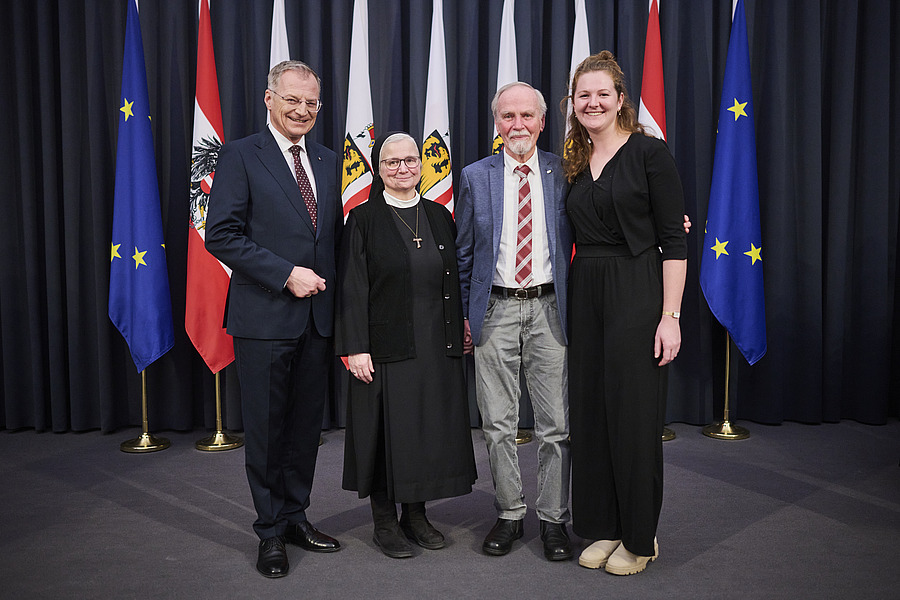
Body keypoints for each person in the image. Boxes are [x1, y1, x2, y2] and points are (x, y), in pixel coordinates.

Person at [205, 60, 342, 578]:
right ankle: (268, 532)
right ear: (269, 99)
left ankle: (295, 517)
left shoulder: (328, 161)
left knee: (305, 430)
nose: (302, 110)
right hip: (263, 318)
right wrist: (285, 274)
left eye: (311, 102)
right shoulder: (241, 155)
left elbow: (330, 239)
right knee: (265, 431)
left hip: (317, 320)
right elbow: (221, 235)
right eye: (292, 100)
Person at [562, 51, 687, 576]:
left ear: (619, 100)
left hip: (636, 291)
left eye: (601, 94)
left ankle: (640, 536)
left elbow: (674, 239)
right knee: (592, 415)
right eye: (583, 95)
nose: (592, 103)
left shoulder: (649, 153)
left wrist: (670, 316)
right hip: (585, 292)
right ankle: (606, 525)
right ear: (572, 103)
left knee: (633, 418)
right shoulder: (572, 159)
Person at [336, 132, 477, 559]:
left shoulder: (438, 214)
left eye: (411, 160)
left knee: (423, 432)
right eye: (392, 162)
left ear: (422, 164)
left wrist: (463, 322)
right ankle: (384, 521)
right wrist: (356, 347)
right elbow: (352, 287)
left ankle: (415, 516)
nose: (403, 168)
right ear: (379, 170)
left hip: (436, 342)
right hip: (385, 345)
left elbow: (455, 275)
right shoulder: (362, 219)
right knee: (384, 433)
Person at [456, 82, 575, 561]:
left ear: (542, 122)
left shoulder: (564, 172)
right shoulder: (474, 176)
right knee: (497, 424)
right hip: (495, 310)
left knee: (556, 425)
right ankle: (509, 513)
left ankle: (553, 520)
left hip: (550, 310)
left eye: (527, 116)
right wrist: (465, 315)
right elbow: (464, 253)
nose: (518, 125)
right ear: (497, 122)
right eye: (508, 116)